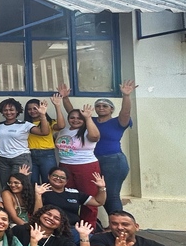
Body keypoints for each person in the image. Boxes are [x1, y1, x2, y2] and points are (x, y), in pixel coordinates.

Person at [93, 81, 137, 214]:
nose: (101, 108)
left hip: (114, 161)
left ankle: (118, 223)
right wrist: (65, 98)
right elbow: (73, 114)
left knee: (111, 195)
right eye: (98, 106)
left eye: (105, 106)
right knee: (101, 193)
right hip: (95, 161)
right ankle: (112, 222)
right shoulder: (91, 121)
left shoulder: (118, 121)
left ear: (111, 109)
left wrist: (126, 96)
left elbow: (126, 112)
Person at [0, 98, 50, 191]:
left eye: (11, 110)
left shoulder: (25, 124)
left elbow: (44, 132)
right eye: (5, 110)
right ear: (2, 111)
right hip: (2, 160)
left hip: (20, 158)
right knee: (6, 187)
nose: (8, 112)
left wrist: (42, 115)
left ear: (17, 111)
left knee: (20, 186)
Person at [51, 95, 100, 198]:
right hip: (65, 166)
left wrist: (88, 118)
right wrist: (57, 106)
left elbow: (95, 137)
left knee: (88, 195)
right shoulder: (63, 131)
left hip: (85, 165)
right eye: (72, 118)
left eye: (79, 118)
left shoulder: (88, 130)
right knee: (67, 195)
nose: (75, 120)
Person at [42, 166, 107, 228]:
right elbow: (38, 211)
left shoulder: (74, 193)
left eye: (62, 177)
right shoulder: (42, 191)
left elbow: (98, 202)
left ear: (66, 181)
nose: (58, 178)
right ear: (49, 176)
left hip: (73, 227)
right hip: (51, 227)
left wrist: (101, 188)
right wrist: (38, 194)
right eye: (55, 175)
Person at [25, 98, 57, 185]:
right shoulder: (25, 124)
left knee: (49, 181)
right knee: (32, 182)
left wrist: (57, 106)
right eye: (29, 109)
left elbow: (61, 126)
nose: (32, 111)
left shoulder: (49, 122)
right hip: (29, 154)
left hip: (47, 154)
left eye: (35, 108)